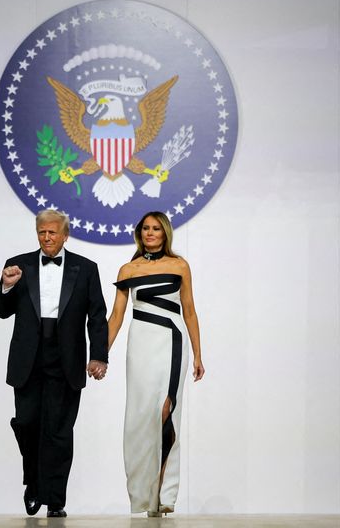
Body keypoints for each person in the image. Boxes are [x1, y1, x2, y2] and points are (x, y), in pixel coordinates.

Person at [0, 209, 108, 518]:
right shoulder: (18, 265)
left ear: (65, 235)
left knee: (59, 431)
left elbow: (97, 316)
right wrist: (6, 286)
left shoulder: (86, 269)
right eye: (42, 232)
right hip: (28, 358)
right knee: (28, 425)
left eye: (52, 232)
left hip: (66, 358)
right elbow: (1, 311)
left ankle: (55, 499)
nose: (46, 237)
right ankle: (33, 483)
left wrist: (99, 355)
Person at [107, 211, 205, 517]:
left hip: (173, 342)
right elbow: (117, 316)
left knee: (167, 411)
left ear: (165, 233)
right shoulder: (128, 269)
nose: (151, 233)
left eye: (156, 229)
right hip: (140, 346)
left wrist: (199, 355)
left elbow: (189, 310)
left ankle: (165, 493)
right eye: (146, 228)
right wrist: (100, 353)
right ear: (140, 233)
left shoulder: (179, 265)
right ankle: (145, 495)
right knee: (139, 419)